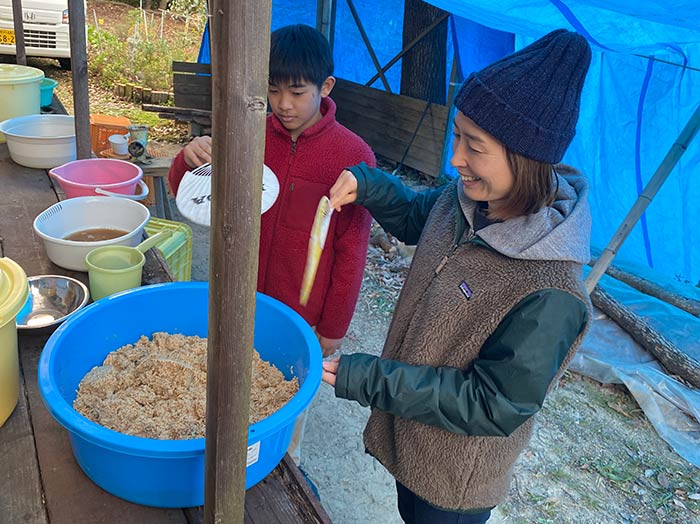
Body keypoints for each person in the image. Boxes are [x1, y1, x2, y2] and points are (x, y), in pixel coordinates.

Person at [322, 29, 593, 523]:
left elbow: (493, 404)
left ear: (525, 156)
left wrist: (370, 378)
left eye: (474, 145)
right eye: (457, 136)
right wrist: (367, 183)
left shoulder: (551, 289)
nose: (455, 158)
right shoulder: (464, 201)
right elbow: (414, 216)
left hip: (454, 481)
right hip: (413, 440)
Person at [168, 24, 376, 358]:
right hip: (238, 298)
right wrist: (187, 160)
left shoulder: (354, 157)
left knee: (287, 390)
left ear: (326, 86)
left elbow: (352, 249)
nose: (283, 104)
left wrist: (333, 327)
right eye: (273, 89)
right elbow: (189, 193)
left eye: (296, 92)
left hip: (301, 314)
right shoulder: (248, 135)